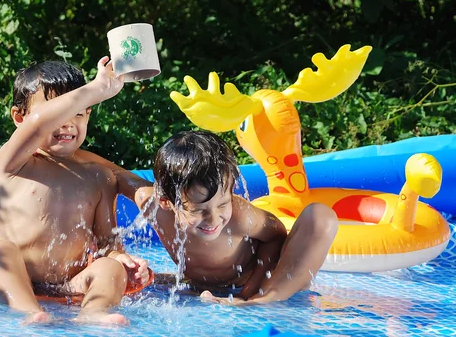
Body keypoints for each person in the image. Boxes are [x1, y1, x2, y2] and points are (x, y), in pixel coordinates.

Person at [0, 57, 149, 325]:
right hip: (14, 277)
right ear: (20, 118)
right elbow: (37, 126)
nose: (67, 123)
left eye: (78, 112)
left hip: (69, 284)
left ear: (88, 114)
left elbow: (107, 246)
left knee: (110, 268)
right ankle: (28, 313)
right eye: (57, 113)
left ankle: (94, 312)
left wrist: (122, 259)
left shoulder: (98, 177)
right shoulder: (14, 162)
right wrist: (96, 89)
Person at [99, 130, 338, 305]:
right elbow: (111, 172)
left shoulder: (240, 216)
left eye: (223, 204)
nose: (214, 220)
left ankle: (266, 301)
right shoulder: (152, 204)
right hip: (198, 287)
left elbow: (276, 235)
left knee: (321, 215)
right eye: (199, 210)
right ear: (166, 201)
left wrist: (252, 292)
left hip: (257, 285)